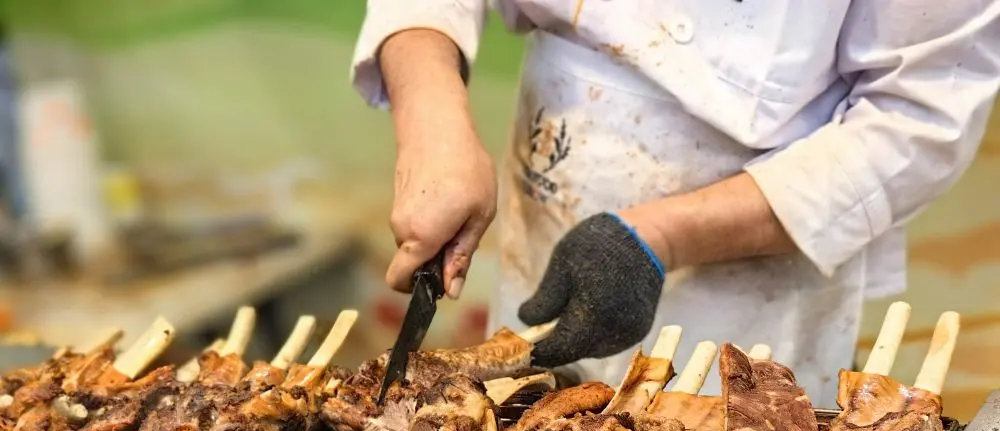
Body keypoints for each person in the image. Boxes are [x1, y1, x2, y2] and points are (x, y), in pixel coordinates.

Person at [351, 2, 1000, 403]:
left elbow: (919, 119)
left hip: (757, 262)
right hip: (550, 174)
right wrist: (431, 119)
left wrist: (661, 237)